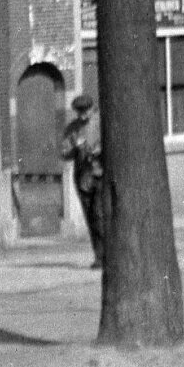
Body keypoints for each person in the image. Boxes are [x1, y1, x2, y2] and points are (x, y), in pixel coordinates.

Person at [63, 89, 108, 268]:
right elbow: (64, 152)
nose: (83, 115)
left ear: (92, 108)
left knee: (99, 214)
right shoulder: (72, 128)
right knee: (90, 217)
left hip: (100, 172)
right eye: (79, 112)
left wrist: (99, 150)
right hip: (83, 177)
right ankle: (99, 256)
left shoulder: (100, 123)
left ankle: (107, 255)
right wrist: (74, 147)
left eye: (85, 111)